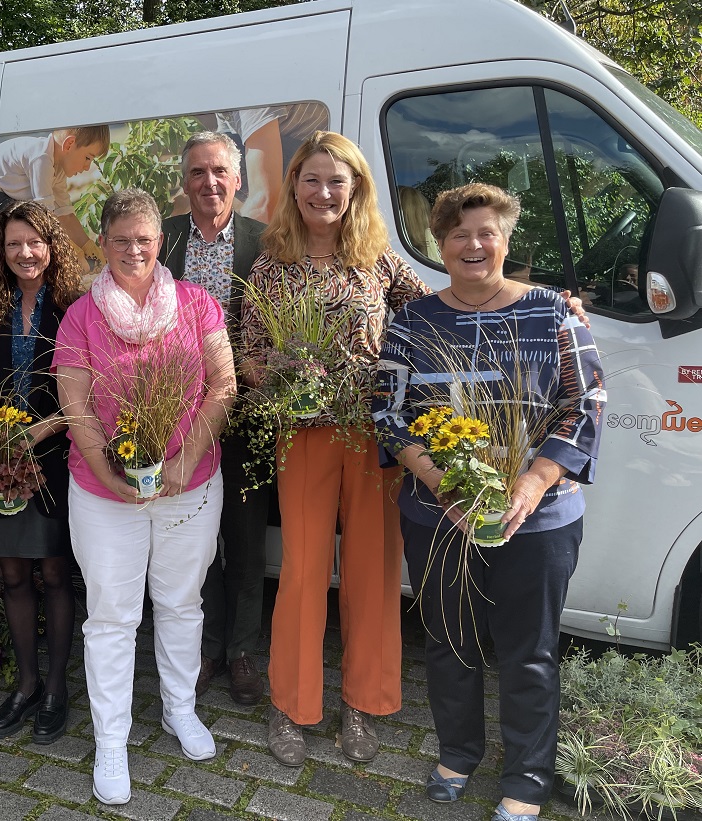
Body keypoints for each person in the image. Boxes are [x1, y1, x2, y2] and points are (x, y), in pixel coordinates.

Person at [373, 182, 604, 821]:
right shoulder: (413, 321)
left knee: (528, 650)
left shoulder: (553, 312)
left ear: (505, 241)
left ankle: (527, 781)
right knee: (449, 640)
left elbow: (584, 405)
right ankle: (458, 752)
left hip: (539, 519)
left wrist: (529, 488)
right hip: (438, 514)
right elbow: (388, 412)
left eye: (486, 233)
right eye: (457, 234)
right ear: (438, 244)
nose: (473, 245)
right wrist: (439, 482)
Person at [242, 131, 431, 766]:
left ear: (356, 190)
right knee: (301, 573)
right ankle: (292, 706)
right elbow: (247, 354)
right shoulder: (271, 266)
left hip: (376, 437)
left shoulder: (379, 262)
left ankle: (362, 702)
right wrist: (283, 371)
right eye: (312, 180)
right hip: (305, 435)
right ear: (294, 186)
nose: (324, 193)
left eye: (337, 181)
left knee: (373, 572)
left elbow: (439, 316)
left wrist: (535, 301)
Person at [53, 188, 237, 805]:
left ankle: (179, 709)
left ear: (161, 242)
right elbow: (73, 401)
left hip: (190, 482)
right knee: (111, 616)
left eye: (146, 238)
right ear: (102, 243)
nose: (134, 248)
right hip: (103, 493)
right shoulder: (82, 315)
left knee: (182, 605)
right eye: (121, 238)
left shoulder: (197, 303)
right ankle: (112, 739)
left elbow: (224, 385)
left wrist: (185, 460)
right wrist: (107, 473)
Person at [0, 201, 79, 744]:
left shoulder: (75, 304)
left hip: (53, 461)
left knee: (54, 575)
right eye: (13, 244)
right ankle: (25, 684)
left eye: (35, 242)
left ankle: (55, 688)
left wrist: (37, 433)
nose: (26, 254)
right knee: (12, 578)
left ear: (52, 246)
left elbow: (91, 389)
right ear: (0, 252)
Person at [158, 131, 269, 706]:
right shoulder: (163, 239)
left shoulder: (265, 241)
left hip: (246, 411)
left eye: (219, 172)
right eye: (198, 172)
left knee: (245, 539)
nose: (209, 183)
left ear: (238, 179)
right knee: (194, 543)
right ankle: (207, 647)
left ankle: (245, 650)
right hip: (175, 417)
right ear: (184, 181)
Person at [0, 127, 110, 262]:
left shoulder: (58, 167)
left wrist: (87, 246)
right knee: (27, 224)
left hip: (9, 197)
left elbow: (65, 213)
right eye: (88, 158)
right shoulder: (41, 158)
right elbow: (44, 217)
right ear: (69, 144)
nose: (87, 167)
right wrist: (72, 252)